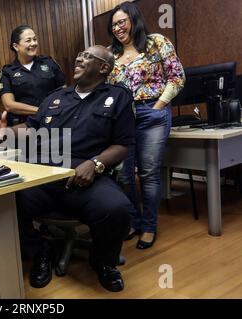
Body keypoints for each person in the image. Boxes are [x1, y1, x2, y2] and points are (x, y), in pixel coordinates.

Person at [0, 45, 136, 292]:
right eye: (79, 55)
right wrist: (4, 131)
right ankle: (40, 251)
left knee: (117, 209)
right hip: (43, 177)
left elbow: (123, 144)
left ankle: (103, 263)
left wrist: (96, 163)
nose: (79, 58)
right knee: (1, 202)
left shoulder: (118, 97)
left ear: (104, 68)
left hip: (85, 178)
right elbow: (32, 127)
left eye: (87, 56)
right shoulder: (55, 97)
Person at [106, 1, 185, 249]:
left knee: (149, 173)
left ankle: (149, 226)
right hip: (123, 119)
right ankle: (134, 220)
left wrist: (159, 106)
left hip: (152, 112)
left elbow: (177, 76)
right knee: (123, 173)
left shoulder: (156, 42)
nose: (118, 28)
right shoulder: (111, 54)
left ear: (133, 19)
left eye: (122, 22)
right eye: (114, 25)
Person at [0, 25, 65, 126]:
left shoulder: (48, 63)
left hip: (52, 122)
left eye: (35, 39)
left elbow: (64, 90)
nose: (33, 43)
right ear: (16, 46)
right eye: (28, 40)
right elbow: (9, 105)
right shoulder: (8, 71)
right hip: (24, 127)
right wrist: (41, 111)